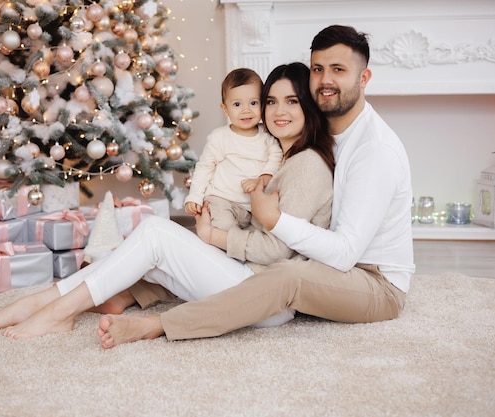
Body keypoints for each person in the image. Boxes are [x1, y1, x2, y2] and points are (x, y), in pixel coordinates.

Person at [96, 24, 415, 348]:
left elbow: (345, 253)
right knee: (228, 256)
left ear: (363, 79)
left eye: (339, 70)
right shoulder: (325, 131)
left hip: (375, 281)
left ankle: (160, 325)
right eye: (318, 69)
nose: (326, 80)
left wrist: (275, 220)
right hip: (329, 265)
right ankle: (131, 291)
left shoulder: (375, 149)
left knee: (286, 275)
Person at [0, 62, 335, 338]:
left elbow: (277, 252)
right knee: (149, 249)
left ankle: (59, 310)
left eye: (292, 101)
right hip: (246, 280)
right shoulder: (277, 154)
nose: (278, 111)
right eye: (271, 101)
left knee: (157, 233)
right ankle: (50, 299)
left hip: (267, 299)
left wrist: (213, 239)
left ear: (309, 107)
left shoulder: (307, 164)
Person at [184, 68, 283, 231]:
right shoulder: (220, 137)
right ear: (225, 109)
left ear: (262, 104)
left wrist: (262, 179)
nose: (246, 110)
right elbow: (204, 168)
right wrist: (194, 196)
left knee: (264, 233)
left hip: (252, 207)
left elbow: (276, 159)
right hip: (222, 200)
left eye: (253, 103)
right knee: (224, 227)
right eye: (237, 104)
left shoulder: (267, 136)